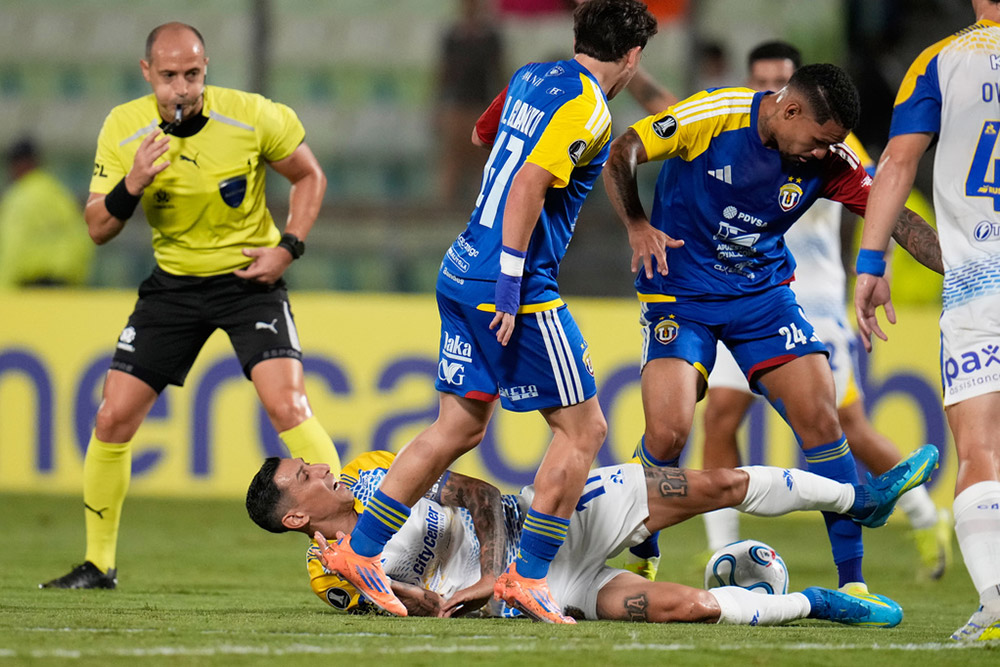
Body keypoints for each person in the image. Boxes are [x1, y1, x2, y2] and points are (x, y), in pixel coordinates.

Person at [317, 0, 658, 624]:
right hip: (515, 281)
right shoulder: (590, 108)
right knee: (584, 431)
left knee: (459, 427)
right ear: (632, 57)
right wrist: (509, 282)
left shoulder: (532, 75)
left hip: (459, 263)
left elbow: (482, 132)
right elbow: (529, 184)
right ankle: (527, 580)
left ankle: (360, 552)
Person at [602, 62, 944, 597]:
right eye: (816, 140)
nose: (819, 154)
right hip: (680, 294)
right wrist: (638, 225)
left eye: (830, 145)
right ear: (789, 109)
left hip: (761, 298)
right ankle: (643, 548)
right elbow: (623, 150)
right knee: (668, 433)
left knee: (822, 419)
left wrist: (966, 268)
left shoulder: (832, 157)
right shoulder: (715, 116)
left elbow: (895, 214)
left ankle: (852, 586)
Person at [40, 22, 341, 590]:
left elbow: (309, 175)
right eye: (170, 75)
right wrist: (132, 183)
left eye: (193, 74)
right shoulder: (124, 128)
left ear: (207, 70)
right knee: (112, 417)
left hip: (247, 280)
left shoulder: (252, 116)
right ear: (147, 72)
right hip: (173, 286)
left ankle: (356, 545)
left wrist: (289, 246)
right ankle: (99, 564)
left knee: (289, 405)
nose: (182, 87)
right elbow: (97, 228)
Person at [699, 41, 951, 582]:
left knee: (845, 427)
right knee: (719, 415)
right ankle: (723, 551)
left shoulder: (830, 139)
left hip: (814, 297)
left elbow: (877, 198)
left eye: (780, 74)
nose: (769, 82)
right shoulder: (737, 127)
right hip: (741, 291)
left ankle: (925, 515)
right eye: (762, 75)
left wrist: (874, 265)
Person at [245, 444, 939, 625]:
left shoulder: (375, 473)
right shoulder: (327, 573)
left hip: (549, 523)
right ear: (297, 515)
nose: (317, 464)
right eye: (301, 473)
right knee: (690, 607)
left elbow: (479, 496)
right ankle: (822, 603)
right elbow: (418, 609)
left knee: (717, 484)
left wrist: (495, 571)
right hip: (549, 589)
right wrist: (415, 589)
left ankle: (862, 498)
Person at [853, 0, 1000, 642]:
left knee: (980, 450)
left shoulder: (938, 62)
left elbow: (896, 165)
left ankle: (996, 600)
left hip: (978, 286)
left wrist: (871, 260)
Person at [436, 0, 506, 205]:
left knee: (481, 163)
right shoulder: (452, 37)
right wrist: (439, 107)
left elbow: (498, 73)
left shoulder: (491, 38)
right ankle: (443, 212)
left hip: (480, 105)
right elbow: (443, 73)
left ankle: (479, 211)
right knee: (452, 161)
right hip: (457, 106)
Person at [0, 138, 94, 288]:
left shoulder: (19, 197)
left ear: (18, 164)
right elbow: (82, 239)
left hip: (28, 287)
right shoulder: (60, 194)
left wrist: (4, 293)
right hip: (65, 285)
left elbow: (12, 248)